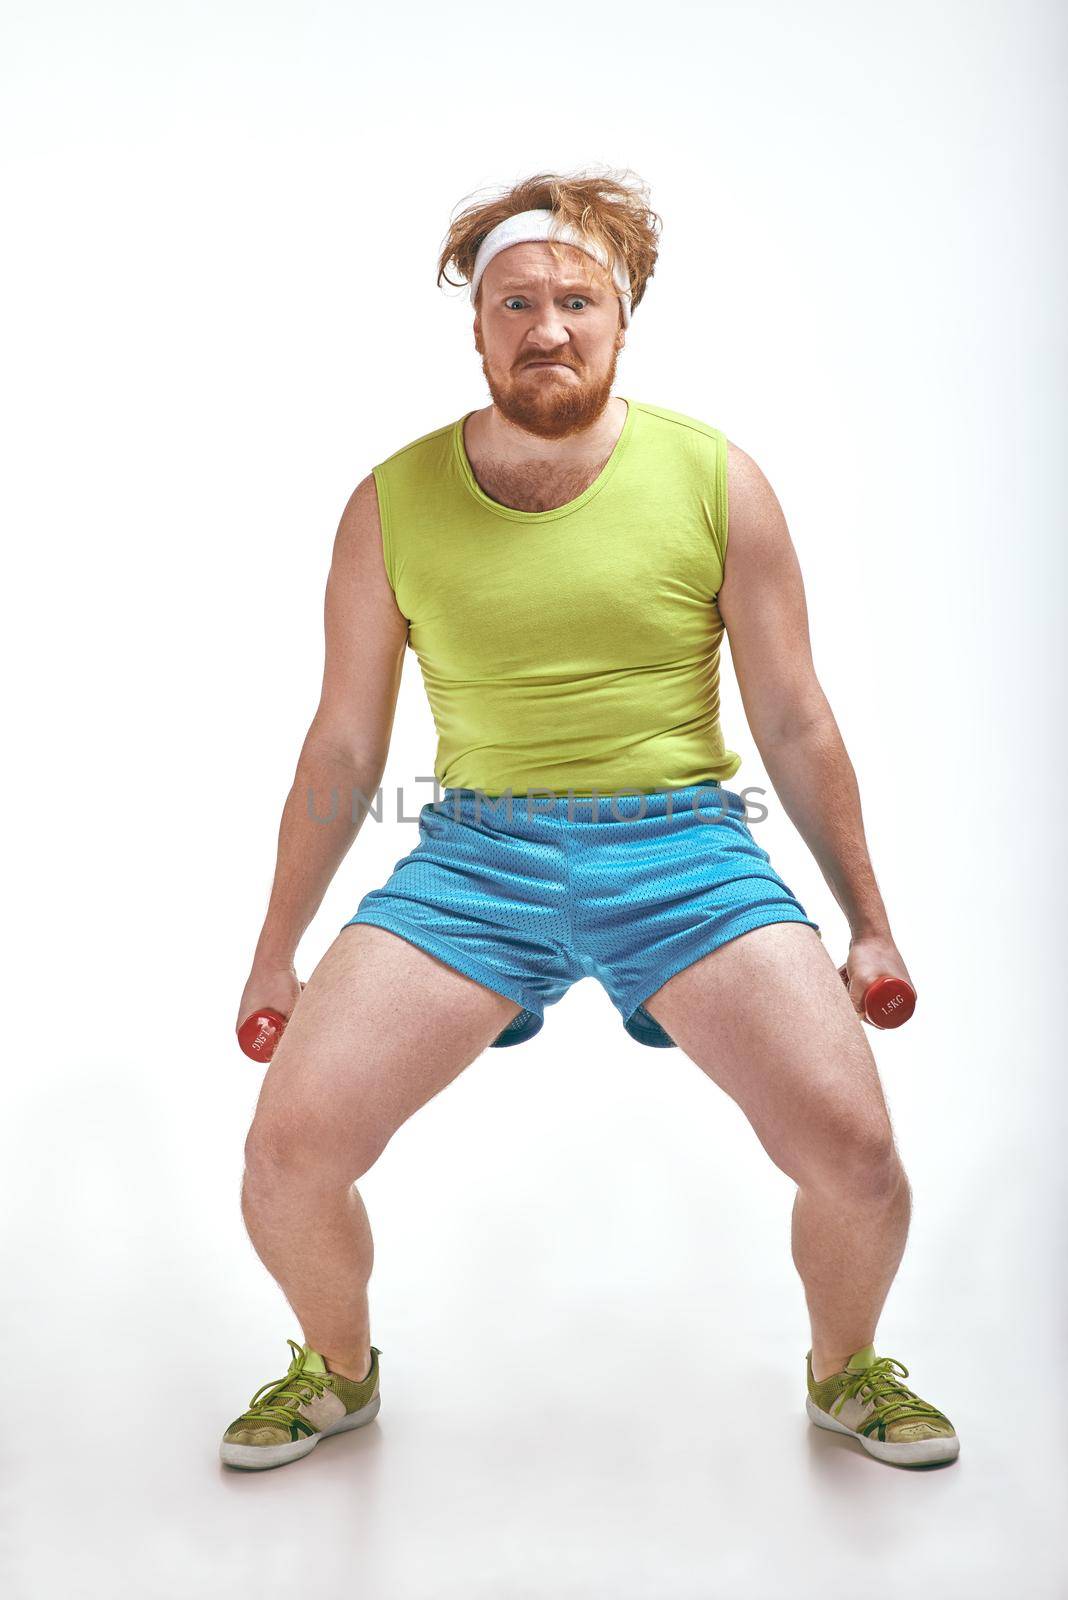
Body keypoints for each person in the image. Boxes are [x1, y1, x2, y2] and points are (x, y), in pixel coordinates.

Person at [220, 170, 959, 1472]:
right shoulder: (388, 502)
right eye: (518, 301)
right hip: (478, 860)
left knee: (858, 1157)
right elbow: (345, 741)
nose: (546, 325)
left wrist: (871, 923)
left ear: (622, 318)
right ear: (479, 326)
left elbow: (794, 716)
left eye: (577, 298)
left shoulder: (717, 480)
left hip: (684, 851)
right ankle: (336, 1374)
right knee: (286, 1153)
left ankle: (849, 1371)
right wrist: (275, 949)